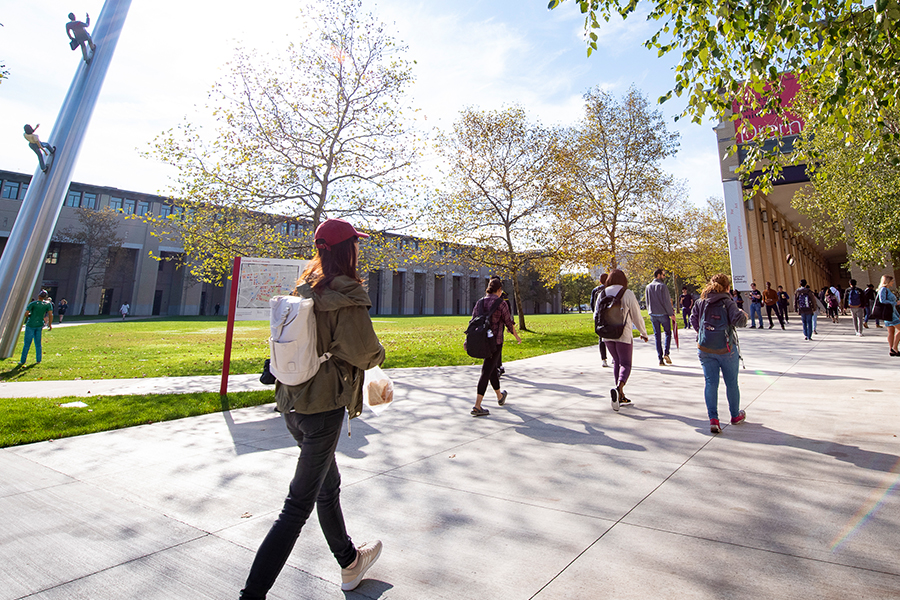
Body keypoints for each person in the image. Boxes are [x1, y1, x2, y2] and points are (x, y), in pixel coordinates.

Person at [240, 219, 385, 598]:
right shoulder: (347, 295)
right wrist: (380, 356)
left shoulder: (304, 289)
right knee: (296, 507)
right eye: (355, 244)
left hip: (291, 404)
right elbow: (366, 352)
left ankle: (350, 561)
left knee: (327, 486)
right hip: (322, 407)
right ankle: (250, 595)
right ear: (347, 250)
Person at [690, 273, 748, 434]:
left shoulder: (700, 302)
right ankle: (735, 415)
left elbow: (693, 320)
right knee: (731, 383)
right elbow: (739, 321)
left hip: (705, 348)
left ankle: (713, 419)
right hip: (726, 348)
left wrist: (703, 333)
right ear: (727, 287)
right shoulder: (728, 302)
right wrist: (744, 315)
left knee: (710, 383)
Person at [470, 278, 521, 416]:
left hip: (481, 341)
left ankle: (500, 396)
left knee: (491, 369)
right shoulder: (501, 303)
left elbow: (472, 322)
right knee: (486, 371)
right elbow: (509, 323)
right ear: (499, 290)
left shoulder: (480, 302)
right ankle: (477, 406)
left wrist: (466, 340)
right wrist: (517, 337)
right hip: (495, 342)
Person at [600, 269, 649, 411]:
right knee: (626, 364)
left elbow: (596, 315)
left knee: (616, 361)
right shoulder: (627, 293)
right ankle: (618, 387)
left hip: (607, 334)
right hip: (623, 334)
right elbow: (636, 315)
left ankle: (620, 395)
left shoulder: (602, 293)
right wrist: (643, 332)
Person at [644, 268, 675, 366]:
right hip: (663, 313)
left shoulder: (648, 287)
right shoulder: (663, 286)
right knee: (668, 333)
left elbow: (647, 301)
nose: (664, 277)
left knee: (657, 336)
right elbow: (666, 302)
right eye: (663, 275)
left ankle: (660, 359)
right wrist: (671, 314)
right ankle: (666, 353)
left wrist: (649, 311)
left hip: (653, 313)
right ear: (658, 275)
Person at [19, 290, 53, 365]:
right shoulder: (47, 304)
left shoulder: (33, 304)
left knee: (27, 343)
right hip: (39, 324)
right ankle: (38, 359)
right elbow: (50, 315)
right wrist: (49, 324)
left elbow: (26, 314)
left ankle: (22, 360)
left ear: (39, 296)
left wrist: (30, 315)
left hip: (31, 324)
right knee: (38, 343)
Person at [876, 275, 900, 356]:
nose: (893, 282)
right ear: (887, 281)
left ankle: (892, 350)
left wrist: (897, 314)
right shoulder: (883, 289)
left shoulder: (887, 290)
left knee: (891, 332)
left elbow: (892, 307)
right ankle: (895, 347)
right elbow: (882, 300)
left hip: (892, 313)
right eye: (892, 281)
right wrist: (895, 303)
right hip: (889, 314)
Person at [590, 273, 611, 368]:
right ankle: (614, 357)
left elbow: (592, 304)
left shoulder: (596, 291)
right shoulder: (611, 290)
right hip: (610, 316)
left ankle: (604, 359)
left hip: (599, 317)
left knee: (601, 338)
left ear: (600, 281)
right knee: (612, 337)